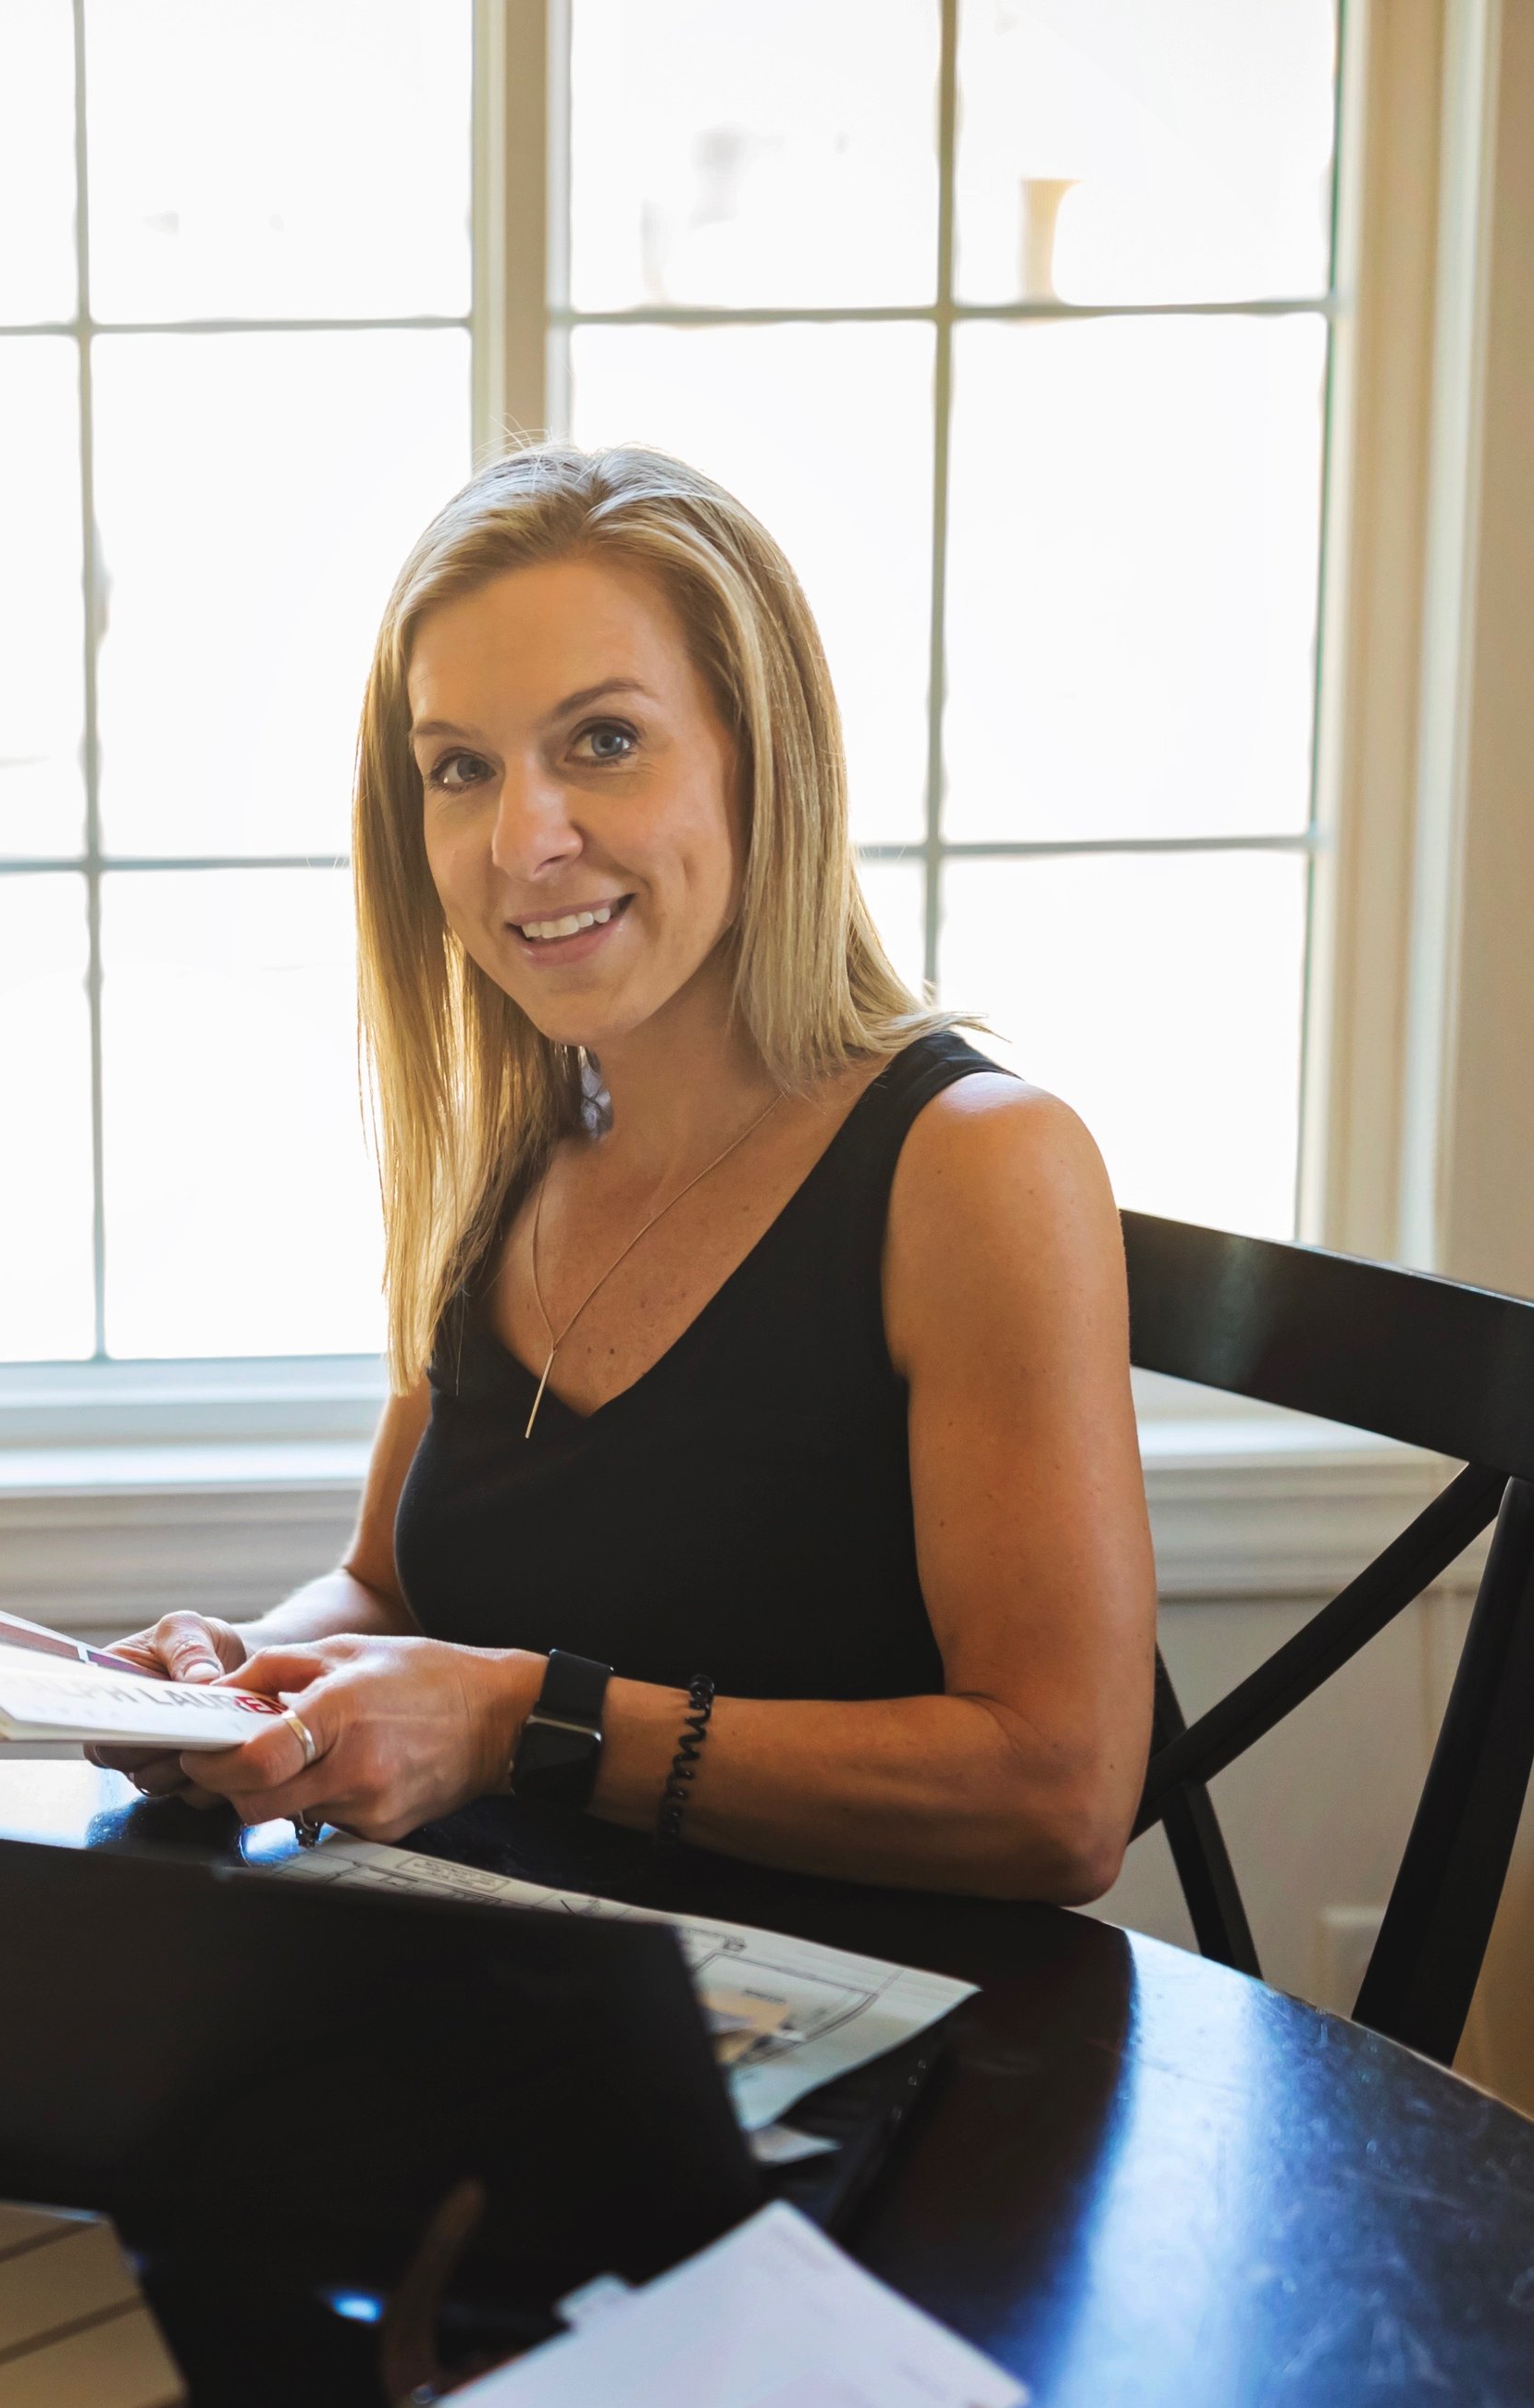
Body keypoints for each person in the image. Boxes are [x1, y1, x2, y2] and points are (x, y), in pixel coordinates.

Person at [102, 444, 1154, 1903]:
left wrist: (517, 1721)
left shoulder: (975, 1166)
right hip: (503, 1983)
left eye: (602, 741)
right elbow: (390, 1592)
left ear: (757, 756)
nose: (521, 839)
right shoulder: (513, 1153)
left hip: (889, 2050)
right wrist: (229, 1687)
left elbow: (1059, 1797)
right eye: (459, 767)